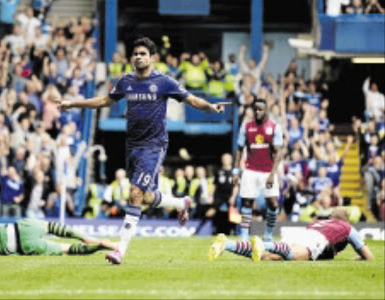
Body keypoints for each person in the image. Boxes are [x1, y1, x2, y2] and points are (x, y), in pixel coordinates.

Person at [57, 37, 230, 265]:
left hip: (154, 145)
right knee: (145, 196)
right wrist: (73, 104)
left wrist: (210, 106)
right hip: (133, 146)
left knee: (135, 193)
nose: (138, 56)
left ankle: (121, 249)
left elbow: (190, 99)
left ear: (152, 58)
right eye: (135, 53)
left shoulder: (164, 82)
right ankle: (181, 203)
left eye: (143, 53)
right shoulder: (126, 81)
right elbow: (103, 101)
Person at [0, 188, 117, 256]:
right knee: (53, 227)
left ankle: (100, 246)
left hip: (24, 247)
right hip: (20, 229)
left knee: (67, 250)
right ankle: (84, 237)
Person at [208, 207, 374, 262]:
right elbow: (369, 256)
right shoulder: (348, 228)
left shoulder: (319, 221)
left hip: (304, 232)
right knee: (291, 254)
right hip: (316, 240)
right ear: (346, 219)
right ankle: (263, 243)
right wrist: (359, 258)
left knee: (268, 257)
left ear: (331, 217)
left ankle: (227, 244)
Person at [233, 98, 284, 242]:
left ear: (266, 110)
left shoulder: (275, 127)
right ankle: (244, 236)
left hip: (268, 171)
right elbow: (239, 149)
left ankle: (268, 234)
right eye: (255, 109)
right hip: (250, 170)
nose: (257, 112)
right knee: (247, 202)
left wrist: (272, 174)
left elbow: (278, 152)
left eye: (260, 109)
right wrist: (236, 171)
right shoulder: (246, 127)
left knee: (273, 204)